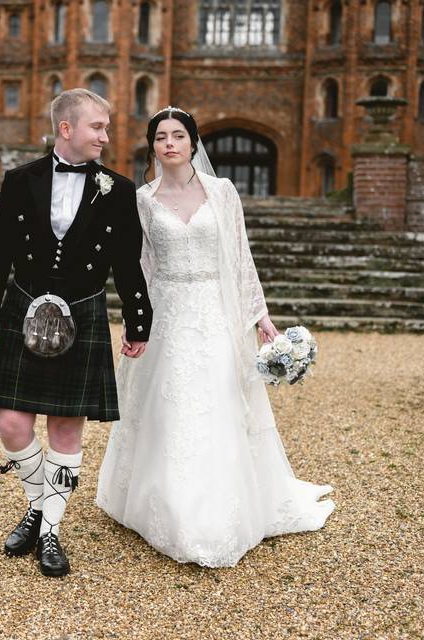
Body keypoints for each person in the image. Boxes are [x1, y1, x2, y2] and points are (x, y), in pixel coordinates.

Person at [95, 106, 335, 568]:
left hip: (214, 313)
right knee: (169, 407)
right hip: (166, 314)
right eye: (161, 136)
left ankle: (222, 507)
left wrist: (260, 317)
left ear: (192, 142)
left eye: (178, 135)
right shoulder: (142, 200)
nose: (169, 143)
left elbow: (240, 258)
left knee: (220, 403)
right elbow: (139, 267)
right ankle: (165, 506)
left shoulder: (222, 192)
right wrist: (135, 320)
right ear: (153, 146)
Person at [0, 88, 152, 577]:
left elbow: (127, 264)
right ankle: (36, 501)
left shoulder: (118, 189)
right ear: (66, 128)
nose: (106, 136)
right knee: (12, 424)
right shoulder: (20, 180)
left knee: (66, 427)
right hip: (22, 307)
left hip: (84, 309)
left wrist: (139, 321)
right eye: (98, 127)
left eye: (107, 127)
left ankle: (49, 527)